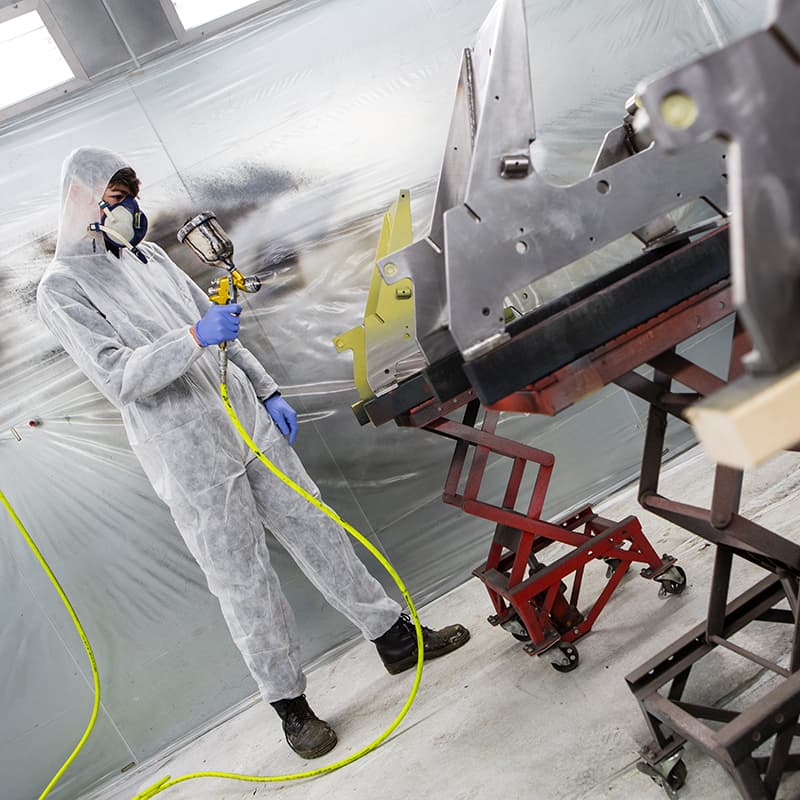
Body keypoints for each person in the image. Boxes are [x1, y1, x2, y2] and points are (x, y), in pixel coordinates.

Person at [37, 147, 470, 760]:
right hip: (189, 457)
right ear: (82, 200)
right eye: (118, 198)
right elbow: (120, 379)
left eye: (133, 195)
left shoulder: (150, 256)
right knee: (242, 580)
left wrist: (266, 390)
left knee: (317, 529)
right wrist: (192, 336)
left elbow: (220, 327)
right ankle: (290, 707)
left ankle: (395, 638)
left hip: (245, 423)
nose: (132, 208)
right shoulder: (62, 289)